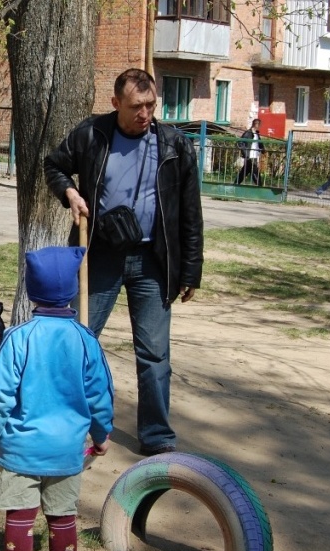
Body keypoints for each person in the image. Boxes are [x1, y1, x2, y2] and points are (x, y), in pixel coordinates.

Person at [43, 68, 203, 456]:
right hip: (101, 255)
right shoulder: (92, 134)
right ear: (116, 104)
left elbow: (190, 213)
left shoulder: (174, 145)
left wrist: (190, 271)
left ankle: (156, 435)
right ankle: (71, 425)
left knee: (154, 353)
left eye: (150, 105)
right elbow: (54, 166)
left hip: (154, 260)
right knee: (82, 342)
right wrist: (69, 193)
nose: (145, 114)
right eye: (136, 106)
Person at [0, 246, 114, 551]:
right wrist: (101, 436)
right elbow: (100, 395)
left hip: (22, 449)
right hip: (66, 450)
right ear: (71, 291)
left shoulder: (18, 338)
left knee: (20, 518)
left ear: (31, 290)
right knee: (63, 518)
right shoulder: (86, 340)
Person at [235, 118, 264, 185]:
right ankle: (260, 187)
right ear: (256, 124)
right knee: (255, 172)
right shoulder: (248, 133)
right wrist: (245, 153)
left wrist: (263, 150)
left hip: (254, 156)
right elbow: (240, 143)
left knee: (244, 171)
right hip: (250, 156)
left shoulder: (256, 134)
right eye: (259, 125)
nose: (260, 126)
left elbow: (259, 144)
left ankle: (235, 184)